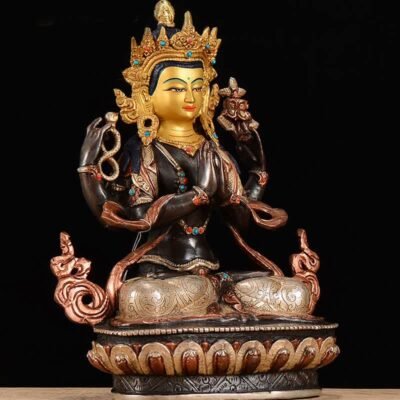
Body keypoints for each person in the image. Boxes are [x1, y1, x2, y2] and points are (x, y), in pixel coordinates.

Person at [76, 2, 309, 324]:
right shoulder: (145, 151)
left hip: (211, 271)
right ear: (145, 96)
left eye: (198, 87)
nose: (190, 97)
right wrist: (199, 194)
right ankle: (214, 308)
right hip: (160, 275)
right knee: (147, 298)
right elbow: (139, 216)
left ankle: (214, 305)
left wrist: (256, 167)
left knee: (294, 294)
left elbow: (241, 221)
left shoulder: (214, 151)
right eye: (176, 87)